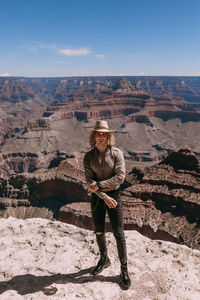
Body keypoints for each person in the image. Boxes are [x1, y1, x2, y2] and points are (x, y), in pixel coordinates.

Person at [83, 120, 131, 288]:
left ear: (109, 136)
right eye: (98, 133)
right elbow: (89, 183)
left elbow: (120, 178)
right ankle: (104, 259)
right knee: (99, 231)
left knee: (119, 233)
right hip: (98, 198)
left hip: (114, 196)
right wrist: (103, 195)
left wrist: (100, 185)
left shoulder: (117, 154)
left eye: (104, 134)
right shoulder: (88, 157)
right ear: (94, 136)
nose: (101, 137)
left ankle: (124, 269)